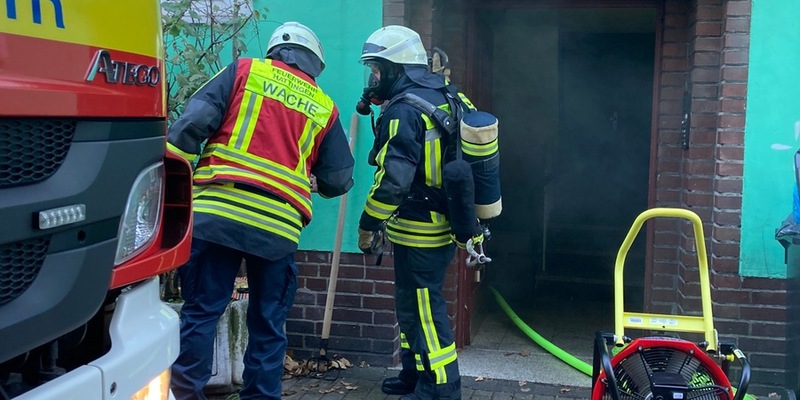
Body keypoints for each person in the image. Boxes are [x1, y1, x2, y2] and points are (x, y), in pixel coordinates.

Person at [166, 21, 355, 400]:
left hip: (216, 215)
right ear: (314, 63)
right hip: (277, 229)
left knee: (202, 312)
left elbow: (188, 127)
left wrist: (174, 189)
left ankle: (185, 394)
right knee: (268, 325)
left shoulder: (242, 72)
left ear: (275, 51)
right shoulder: (323, 107)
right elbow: (338, 179)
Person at [356, 26, 482, 400]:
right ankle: (413, 373)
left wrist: (368, 223)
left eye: (377, 70)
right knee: (409, 304)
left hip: (422, 227)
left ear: (397, 69)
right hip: (436, 222)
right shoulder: (451, 96)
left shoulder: (404, 111)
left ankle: (441, 388)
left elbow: (393, 180)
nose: (373, 79)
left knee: (425, 309)